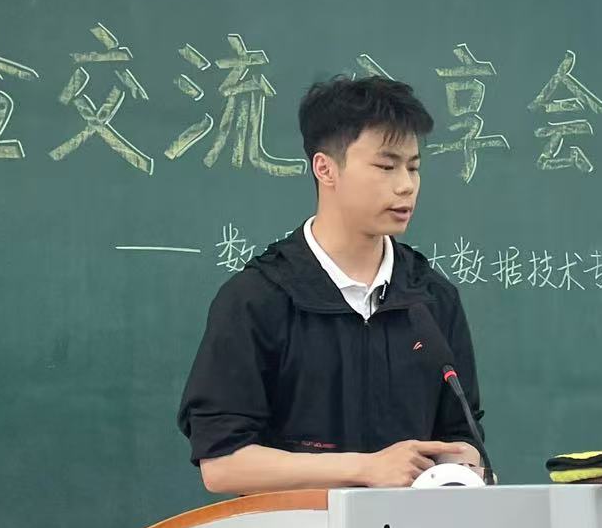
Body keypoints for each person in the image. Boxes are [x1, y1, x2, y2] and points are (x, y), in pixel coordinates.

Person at [177, 76, 486, 494]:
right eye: (386, 166)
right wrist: (364, 468)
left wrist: (464, 462)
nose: (406, 185)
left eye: (413, 167)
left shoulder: (431, 299)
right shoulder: (257, 299)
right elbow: (222, 464)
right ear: (325, 169)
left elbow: (462, 435)